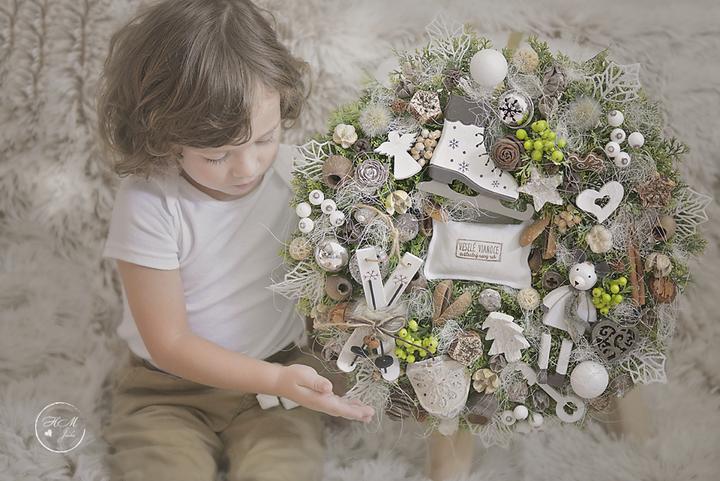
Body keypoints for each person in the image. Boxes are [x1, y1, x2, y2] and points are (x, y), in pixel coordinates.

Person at [95, 1, 374, 480]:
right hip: (168, 391)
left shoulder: (302, 175)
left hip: (277, 382)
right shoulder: (150, 202)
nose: (247, 167)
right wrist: (276, 379)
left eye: (264, 139)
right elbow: (169, 342)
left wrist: (287, 378)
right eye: (217, 154)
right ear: (163, 136)